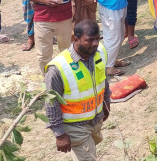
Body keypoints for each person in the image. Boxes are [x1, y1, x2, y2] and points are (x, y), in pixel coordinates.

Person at [45, 20, 110, 161]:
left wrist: (106, 104)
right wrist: (59, 134)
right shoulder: (58, 68)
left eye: (97, 39)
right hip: (75, 127)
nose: (95, 44)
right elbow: (52, 103)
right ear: (76, 39)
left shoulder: (100, 52)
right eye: (90, 40)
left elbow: (104, 80)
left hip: (95, 120)